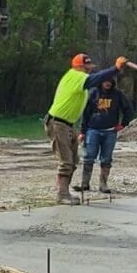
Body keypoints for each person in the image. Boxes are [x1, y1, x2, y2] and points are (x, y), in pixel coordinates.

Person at [44, 52, 120, 205]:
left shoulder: (80, 79)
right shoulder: (75, 76)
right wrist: (115, 69)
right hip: (58, 123)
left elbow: (93, 79)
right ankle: (62, 194)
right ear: (81, 66)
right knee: (66, 161)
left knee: (73, 160)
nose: (90, 69)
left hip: (67, 124)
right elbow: (94, 79)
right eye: (88, 66)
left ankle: (64, 190)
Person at [78, 68, 133, 194]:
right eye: (105, 81)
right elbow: (86, 113)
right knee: (88, 157)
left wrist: (123, 124)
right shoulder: (93, 93)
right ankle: (85, 183)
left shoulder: (118, 95)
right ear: (101, 82)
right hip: (93, 130)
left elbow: (128, 110)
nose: (107, 83)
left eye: (110, 81)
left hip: (110, 132)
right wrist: (83, 131)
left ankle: (103, 184)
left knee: (106, 158)